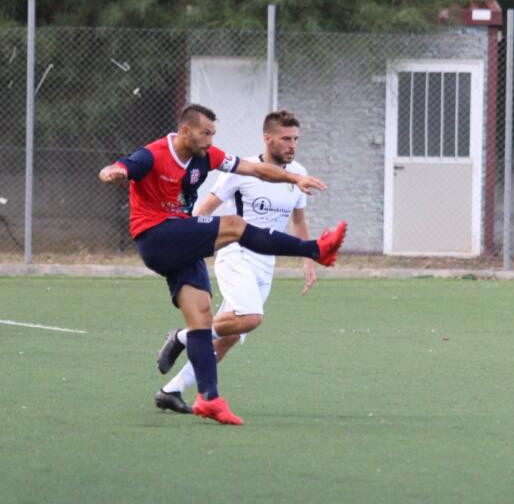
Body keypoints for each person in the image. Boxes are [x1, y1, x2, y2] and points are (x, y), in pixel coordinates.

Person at [99, 104, 347, 424]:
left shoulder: (209, 156)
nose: (210, 140)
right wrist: (111, 172)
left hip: (182, 243)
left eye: (213, 134)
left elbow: (255, 169)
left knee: (202, 317)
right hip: (156, 236)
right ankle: (315, 249)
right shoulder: (153, 154)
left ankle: (208, 398)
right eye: (206, 133)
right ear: (186, 131)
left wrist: (292, 177)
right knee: (233, 225)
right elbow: (118, 168)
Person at [154, 110, 317, 414]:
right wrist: (187, 237)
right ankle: (181, 336)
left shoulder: (298, 173)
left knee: (228, 337)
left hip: (265, 264)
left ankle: (171, 390)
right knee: (251, 317)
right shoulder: (243, 169)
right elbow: (208, 204)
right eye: (286, 139)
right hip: (235, 253)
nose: (292, 145)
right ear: (267, 138)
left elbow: (298, 219)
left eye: (295, 139)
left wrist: (308, 258)